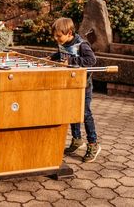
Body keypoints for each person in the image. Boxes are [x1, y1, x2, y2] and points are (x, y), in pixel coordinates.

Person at [49, 17, 101, 162]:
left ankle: (93, 143)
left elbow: (91, 60)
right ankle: (77, 139)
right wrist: (52, 57)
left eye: (58, 36)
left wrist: (72, 61)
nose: (56, 38)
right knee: (71, 111)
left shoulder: (81, 45)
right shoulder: (63, 42)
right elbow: (61, 53)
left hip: (83, 84)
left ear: (69, 33)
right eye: (54, 35)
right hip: (69, 83)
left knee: (84, 113)